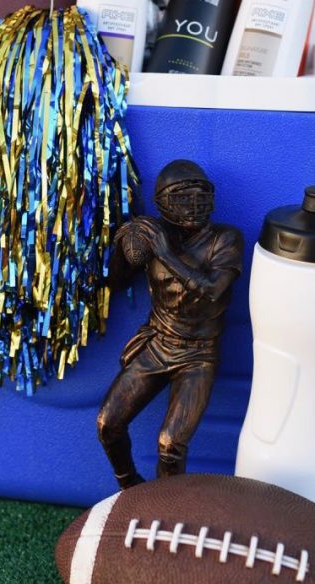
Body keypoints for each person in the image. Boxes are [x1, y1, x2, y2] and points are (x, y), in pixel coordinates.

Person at [98, 159, 243, 488]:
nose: (192, 204)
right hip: (159, 343)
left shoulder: (226, 238)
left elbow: (211, 290)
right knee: (108, 423)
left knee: (170, 444)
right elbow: (115, 283)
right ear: (163, 204)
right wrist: (123, 247)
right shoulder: (153, 234)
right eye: (181, 196)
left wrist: (164, 252)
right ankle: (129, 486)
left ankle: (168, 507)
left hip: (198, 354)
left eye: (198, 194)